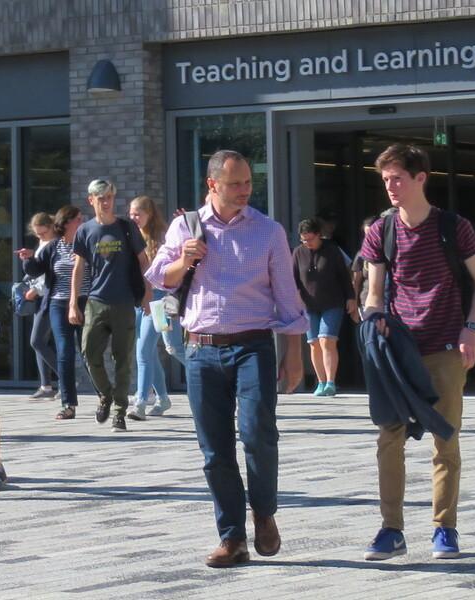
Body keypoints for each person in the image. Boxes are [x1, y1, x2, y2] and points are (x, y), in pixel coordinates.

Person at [146, 149, 309, 568]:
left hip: (253, 344)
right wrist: (185, 259)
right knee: (215, 450)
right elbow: (157, 279)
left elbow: (287, 296)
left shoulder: (268, 231)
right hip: (200, 348)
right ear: (212, 184)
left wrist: (294, 354)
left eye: (248, 183)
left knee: (258, 434)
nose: (244, 191)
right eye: (235, 183)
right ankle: (232, 537)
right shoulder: (186, 227)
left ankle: (264, 512)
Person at [358, 143, 475, 562]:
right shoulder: (382, 230)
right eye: (385, 180)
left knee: (445, 440)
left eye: (398, 178)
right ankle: (391, 529)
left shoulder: (453, 227)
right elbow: (373, 293)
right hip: (398, 350)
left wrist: (470, 328)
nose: (391, 187)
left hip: (445, 347)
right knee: (389, 438)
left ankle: (444, 529)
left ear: (421, 178)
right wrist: (373, 316)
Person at [69, 180, 152, 432]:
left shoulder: (126, 228)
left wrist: (148, 294)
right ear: (91, 200)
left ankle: (119, 412)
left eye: (110, 197)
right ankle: (105, 394)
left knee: (123, 359)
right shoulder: (85, 230)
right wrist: (74, 303)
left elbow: (143, 260)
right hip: (96, 301)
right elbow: (78, 268)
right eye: (101, 197)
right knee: (89, 353)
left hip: (125, 301)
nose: (106, 202)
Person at [27, 205, 84, 419]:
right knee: (62, 349)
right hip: (56, 303)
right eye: (78, 218)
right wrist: (28, 260)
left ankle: (105, 398)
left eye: (42, 232)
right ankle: (65, 400)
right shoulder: (52, 247)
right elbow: (37, 269)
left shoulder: (86, 242)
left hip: (84, 301)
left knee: (89, 353)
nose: (82, 221)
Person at [129, 196, 181, 419]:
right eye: (131, 214)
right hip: (140, 302)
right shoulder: (133, 237)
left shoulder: (162, 236)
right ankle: (162, 398)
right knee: (148, 351)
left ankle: (140, 402)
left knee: (170, 348)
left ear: (149, 214)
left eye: (138, 214)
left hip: (161, 301)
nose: (134, 218)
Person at [293, 217, 356, 397]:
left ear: (319, 235)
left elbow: (344, 276)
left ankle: (330, 382)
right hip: (308, 305)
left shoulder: (332, 251)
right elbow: (293, 279)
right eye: (304, 240)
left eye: (310, 239)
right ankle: (320, 382)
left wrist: (351, 297)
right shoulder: (298, 253)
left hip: (332, 302)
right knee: (314, 343)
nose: (307, 243)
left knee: (327, 340)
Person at [16, 213, 61, 400]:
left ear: (52, 227)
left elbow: (49, 274)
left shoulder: (56, 244)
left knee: (37, 341)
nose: (40, 237)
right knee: (40, 342)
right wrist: (30, 258)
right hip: (42, 298)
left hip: (50, 297)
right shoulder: (45, 244)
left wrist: (33, 291)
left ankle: (65, 378)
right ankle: (46, 385)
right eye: (38, 234)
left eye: (43, 233)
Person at [351, 216, 377, 323]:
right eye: (366, 235)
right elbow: (356, 283)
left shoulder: (389, 252)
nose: (369, 238)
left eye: (371, 234)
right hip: (366, 302)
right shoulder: (361, 255)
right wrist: (354, 307)